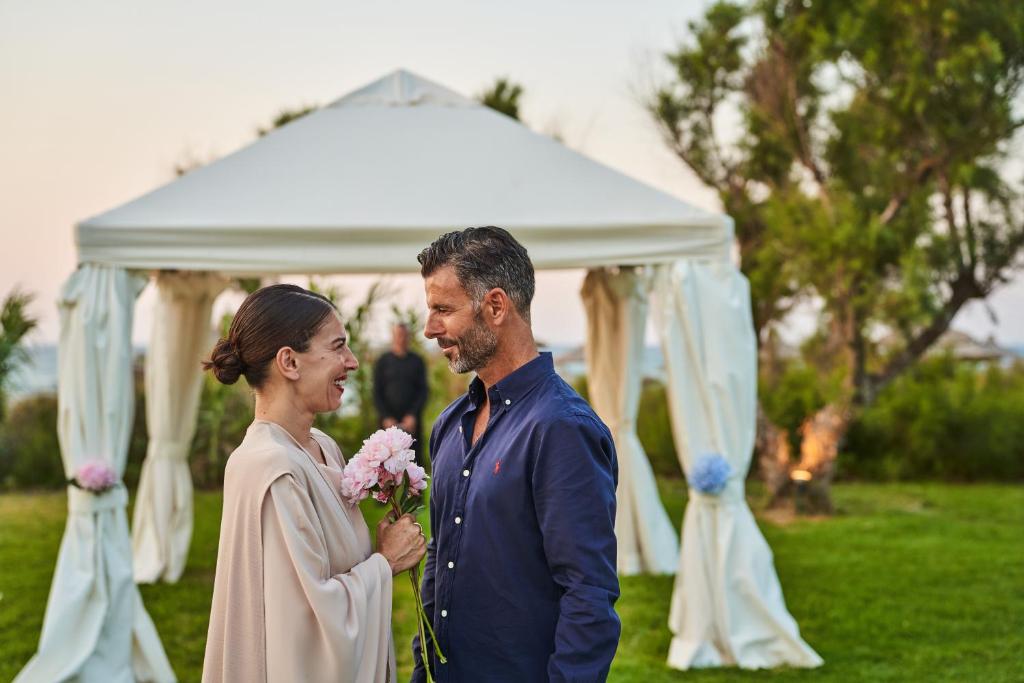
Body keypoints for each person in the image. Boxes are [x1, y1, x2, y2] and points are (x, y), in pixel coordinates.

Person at [411, 227, 621, 682]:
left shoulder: (561, 427)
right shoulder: (450, 424)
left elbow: (588, 591)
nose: (429, 329)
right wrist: (422, 663)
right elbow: (439, 552)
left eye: (443, 310)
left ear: (496, 306)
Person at [201, 284, 426, 683]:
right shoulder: (271, 470)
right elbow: (304, 628)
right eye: (338, 347)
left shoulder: (322, 446)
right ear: (289, 361)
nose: (353, 362)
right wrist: (385, 562)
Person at [373, 323, 428, 463]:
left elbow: (423, 391)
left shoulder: (417, 361)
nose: (401, 339)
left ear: (408, 337)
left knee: (413, 464)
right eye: (398, 335)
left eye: (404, 335)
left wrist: (413, 415)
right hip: (387, 422)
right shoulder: (383, 361)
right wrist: (386, 417)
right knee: (386, 464)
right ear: (393, 336)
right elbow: (376, 392)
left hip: (411, 422)